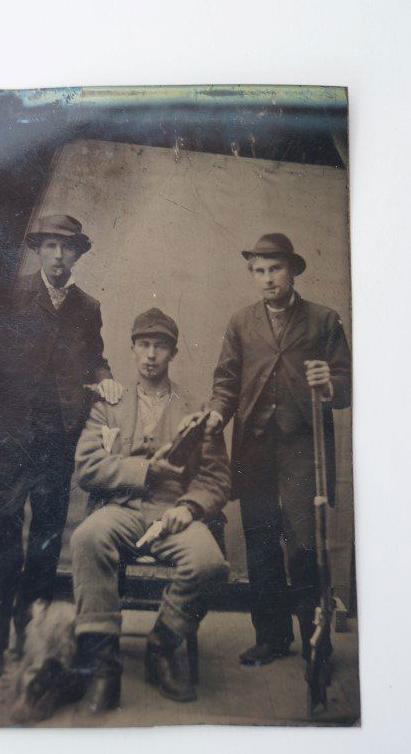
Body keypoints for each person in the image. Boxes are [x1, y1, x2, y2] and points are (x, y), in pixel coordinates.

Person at [189, 233, 351, 667]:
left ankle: (315, 639)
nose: (267, 279)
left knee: (303, 544)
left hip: (303, 446)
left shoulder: (324, 320)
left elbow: (345, 387)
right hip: (255, 447)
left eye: (275, 269)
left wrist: (329, 383)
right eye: (258, 271)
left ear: (293, 270)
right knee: (260, 542)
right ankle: (272, 638)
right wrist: (219, 415)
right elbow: (225, 383)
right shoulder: (241, 323)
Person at [0, 214, 123, 679]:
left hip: (58, 438)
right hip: (12, 433)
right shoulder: (12, 295)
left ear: (78, 253)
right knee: (4, 531)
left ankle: (32, 633)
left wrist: (106, 380)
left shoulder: (87, 306)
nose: (58, 256)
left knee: (45, 537)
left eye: (67, 248)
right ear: (38, 251)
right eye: (50, 247)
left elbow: (95, 358)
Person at [68, 308, 230, 713]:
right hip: (121, 507)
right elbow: (87, 467)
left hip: (171, 511)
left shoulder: (195, 407)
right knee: (87, 537)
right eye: (144, 345)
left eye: (160, 346)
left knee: (209, 563)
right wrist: (143, 470)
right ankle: (103, 664)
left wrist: (190, 508)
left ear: (173, 352)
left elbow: (216, 478)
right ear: (133, 349)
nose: (151, 354)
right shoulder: (111, 403)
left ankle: (164, 643)